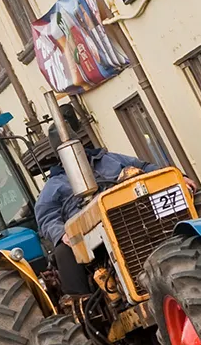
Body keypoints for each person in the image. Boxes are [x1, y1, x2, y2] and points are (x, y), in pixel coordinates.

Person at [35, 118, 159, 296]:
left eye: (74, 145)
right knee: (64, 251)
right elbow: (46, 218)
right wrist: (61, 233)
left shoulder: (110, 159)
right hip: (87, 231)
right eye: (65, 150)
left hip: (130, 212)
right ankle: (83, 300)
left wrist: (181, 176)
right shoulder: (53, 186)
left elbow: (145, 167)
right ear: (58, 154)